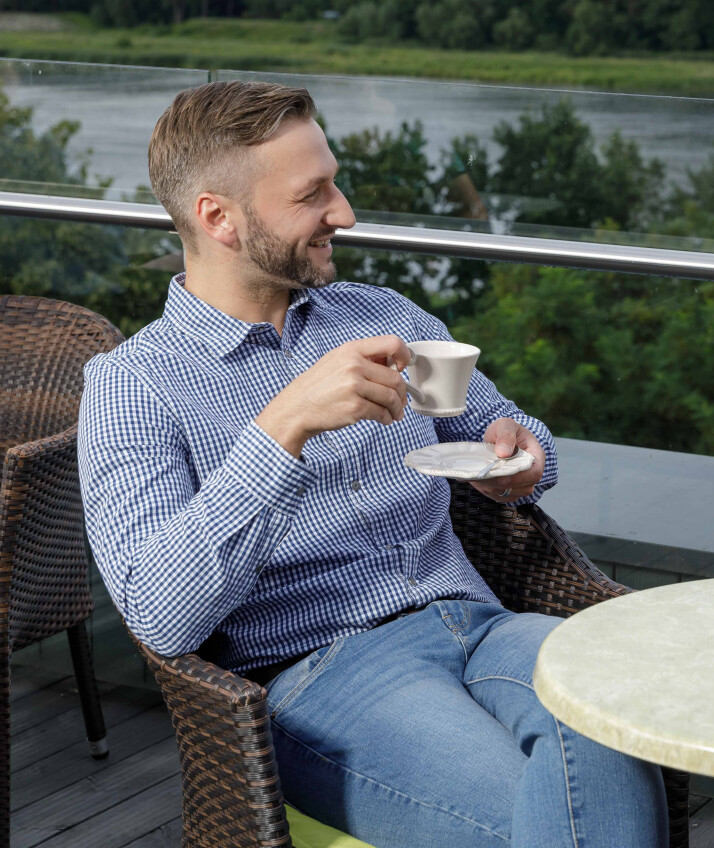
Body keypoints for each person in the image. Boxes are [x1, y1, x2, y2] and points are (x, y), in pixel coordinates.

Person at [78, 81, 668, 848]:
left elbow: (507, 427)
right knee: (544, 812)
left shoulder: (381, 316)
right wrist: (282, 426)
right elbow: (159, 613)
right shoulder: (135, 386)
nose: (345, 213)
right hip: (325, 671)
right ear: (217, 218)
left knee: (615, 724)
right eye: (312, 194)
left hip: (486, 624)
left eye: (336, 181)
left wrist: (521, 457)